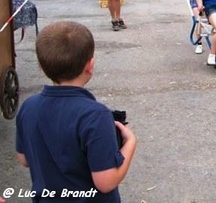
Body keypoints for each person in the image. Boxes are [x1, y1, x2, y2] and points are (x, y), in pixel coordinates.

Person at [15, 21, 137, 201]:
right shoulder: (96, 116)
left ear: (41, 66)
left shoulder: (28, 106)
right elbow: (106, 182)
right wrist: (130, 143)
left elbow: (24, 159)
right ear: (90, 65)